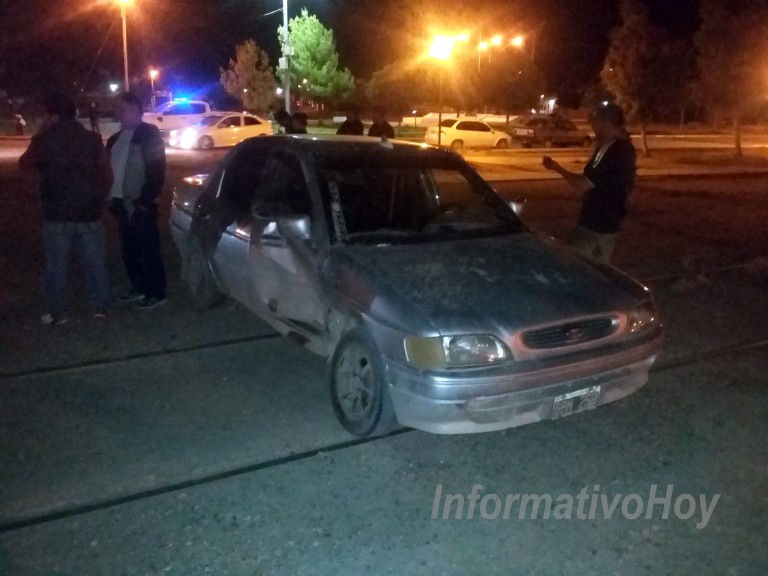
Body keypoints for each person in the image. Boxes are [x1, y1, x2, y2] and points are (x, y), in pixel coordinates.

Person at [19, 92, 113, 325]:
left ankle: (59, 312)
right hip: (89, 211)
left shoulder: (43, 140)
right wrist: (98, 199)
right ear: (75, 114)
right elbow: (106, 174)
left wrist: (41, 133)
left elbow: (25, 164)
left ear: (51, 115)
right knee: (95, 261)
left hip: (56, 212)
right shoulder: (92, 139)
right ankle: (99, 306)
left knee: (57, 265)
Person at [542, 102, 636, 263]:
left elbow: (584, 184)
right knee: (599, 271)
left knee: (572, 264)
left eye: (594, 122)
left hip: (593, 224)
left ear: (605, 122)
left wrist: (557, 168)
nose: (592, 127)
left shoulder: (609, 149)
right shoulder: (628, 148)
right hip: (611, 226)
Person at [106, 91, 167, 308]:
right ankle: (139, 287)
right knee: (129, 249)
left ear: (134, 109)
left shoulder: (148, 135)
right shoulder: (115, 139)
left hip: (140, 203)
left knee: (148, 248)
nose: (117, 112)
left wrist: (145, 201)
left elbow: (157, 170)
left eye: (120, 108)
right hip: (120, 203)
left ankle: (156, 292)